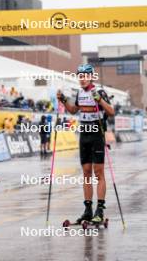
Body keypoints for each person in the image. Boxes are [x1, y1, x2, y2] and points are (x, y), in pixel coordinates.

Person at [57, 64, 115, 223]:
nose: (82, 79)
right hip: (84, 135)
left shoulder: (99, 92)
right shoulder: (79, 94)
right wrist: (62, 100)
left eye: (85, 76)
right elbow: (73, 110)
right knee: (86, 173)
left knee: (98, 173)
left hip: (97, 135)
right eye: (80, 76)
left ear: (91, 77)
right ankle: (88, 210)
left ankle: (100, 210)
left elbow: (111, 112)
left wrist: (100, 101)